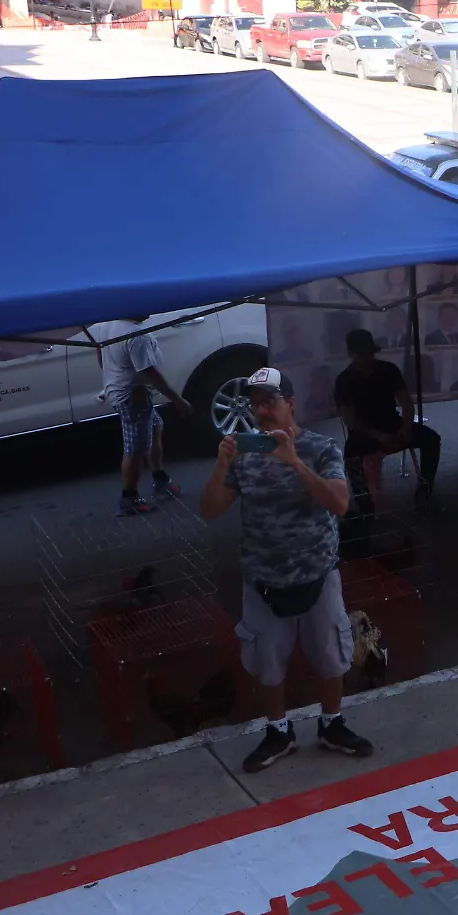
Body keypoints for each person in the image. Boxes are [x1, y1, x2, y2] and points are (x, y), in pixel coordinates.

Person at [199, 367, 373, 773]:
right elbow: (210, 510)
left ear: (290, 404)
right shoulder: (243, 455)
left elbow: (340, 504)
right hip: (263, 581)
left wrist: (294, 463)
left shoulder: (320, 448)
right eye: (256, 403)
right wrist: (222, 465)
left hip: (318, 574)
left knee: (332, 657)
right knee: (267, 661)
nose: (262, 410)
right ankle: (278, 732)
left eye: (270, 402)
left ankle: (332, 724)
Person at [88, 316, 191, 516]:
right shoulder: (137, 337)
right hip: (132, 396)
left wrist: (112, 374)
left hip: (125, 391)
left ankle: (160, 478)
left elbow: (99, 351)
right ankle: (129, 498)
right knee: (135, 448)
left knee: (155, 426)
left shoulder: (108, 324)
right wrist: (179, 401)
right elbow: (151, 374)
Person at [334, 329, 442, 510]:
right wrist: (377, 435)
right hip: (365, 431)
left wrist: (406, 426)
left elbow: (406, 402)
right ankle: (365, 504)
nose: (366, 359)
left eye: (368, 354)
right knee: (351, 457)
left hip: (393, 423)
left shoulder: (388, 369)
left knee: (432, 439)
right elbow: (349, 419)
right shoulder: (345, 380)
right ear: (351, 354)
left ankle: (425, 487)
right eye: (361, 355)